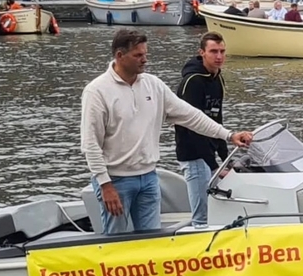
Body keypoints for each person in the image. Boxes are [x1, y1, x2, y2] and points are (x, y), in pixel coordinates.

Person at [80, 29, 254, 235]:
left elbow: (191, 116)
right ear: (119, 56)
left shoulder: (154, 85)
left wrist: (228, 135)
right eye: (138, 55)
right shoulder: (97, 91)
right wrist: (104, 184)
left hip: (148, 178)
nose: (145, 60)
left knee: (153, 241)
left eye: (145, 54)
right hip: (115, 181)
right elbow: (90, 144)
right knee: (116, 241)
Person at [175, 32, 230, 228]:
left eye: (222, 51)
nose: (219, 56)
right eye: (213, 51)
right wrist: (213, 165)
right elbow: (191, 127)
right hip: (193, 154)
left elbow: (217, 120)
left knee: (217, 208)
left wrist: (225, 159)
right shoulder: (193, 82)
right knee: (202, 216)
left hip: (210, 152)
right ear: (202, 53)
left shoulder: (218, 79)